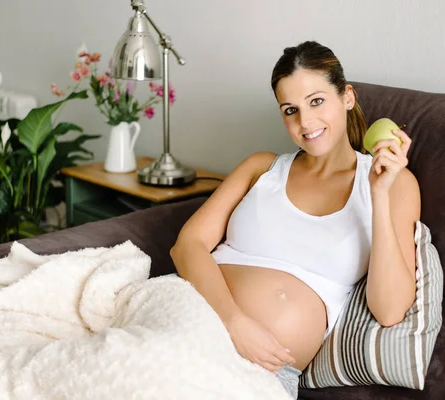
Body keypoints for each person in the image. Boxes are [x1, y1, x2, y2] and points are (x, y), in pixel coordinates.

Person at [170, 40, 421, 399]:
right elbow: (187, 246)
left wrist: (378, 194)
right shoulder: (262, 167)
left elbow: (391, 310)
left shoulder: (394, 184)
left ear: (347, 97)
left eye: (316, 101)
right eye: (290, 110)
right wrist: (234, 322)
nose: (305, 122)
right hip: (188, 320)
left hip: (260, 374)